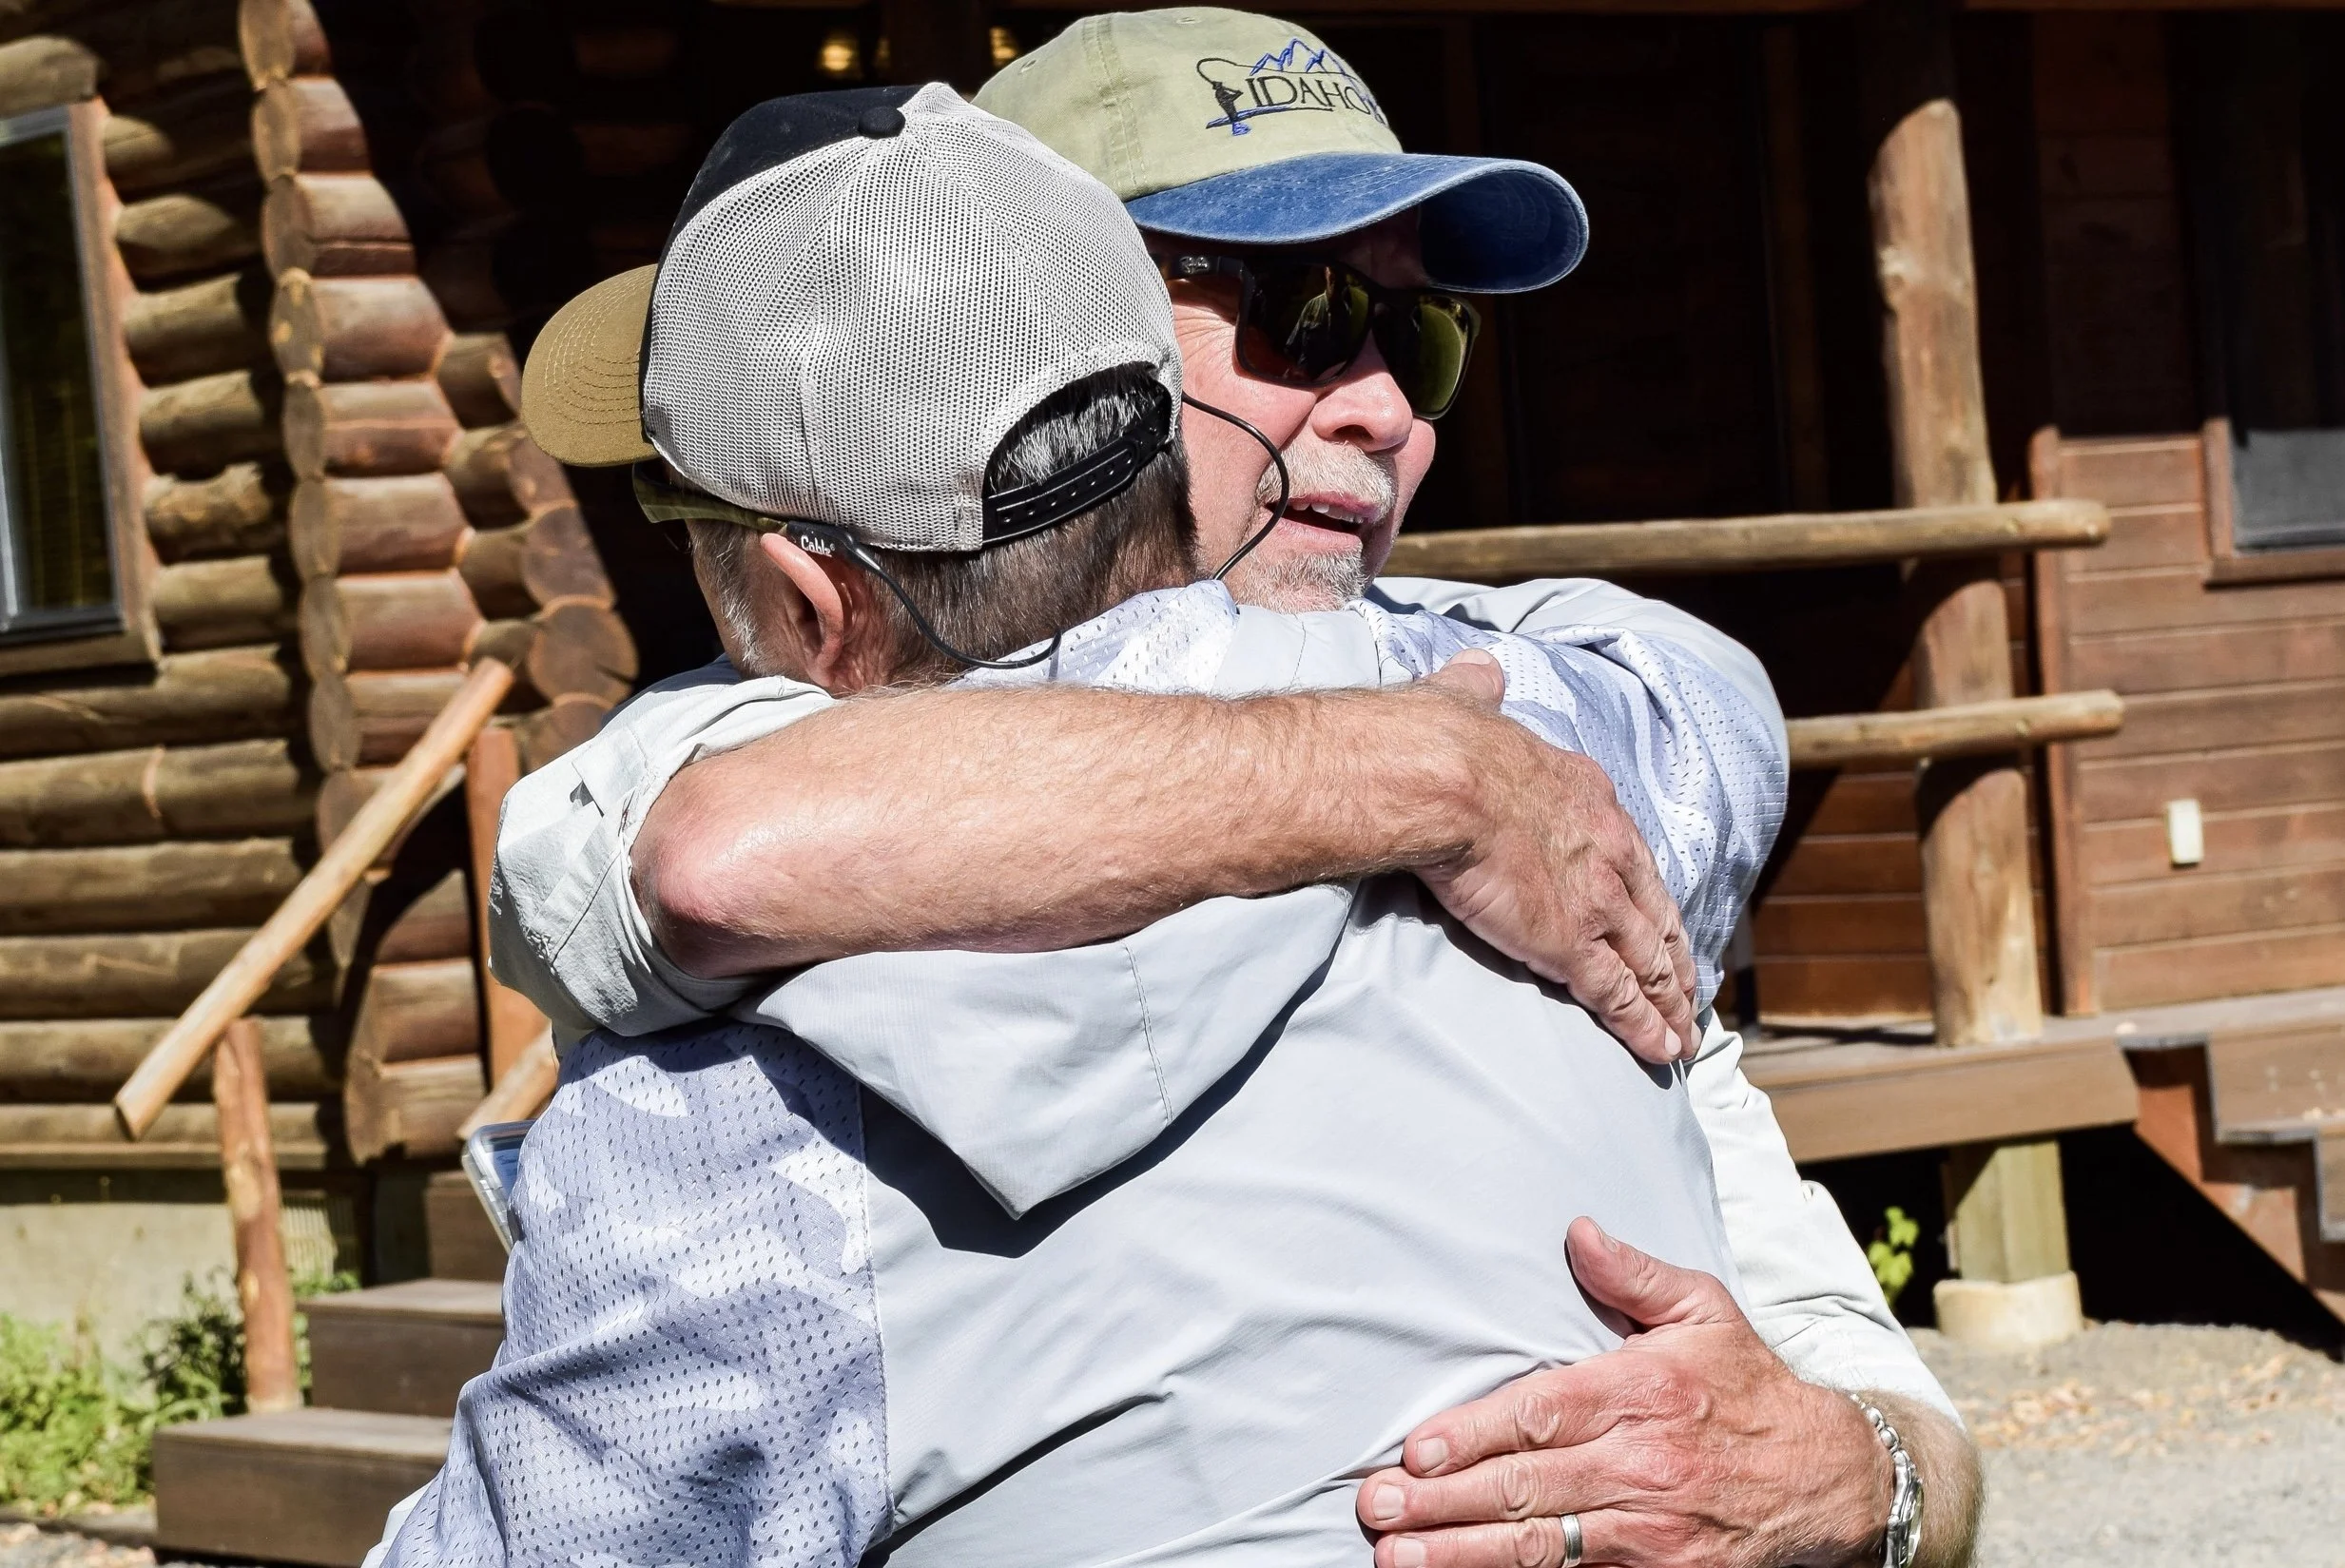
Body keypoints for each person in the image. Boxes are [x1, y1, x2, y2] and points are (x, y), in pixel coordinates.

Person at [492, 13, 1982, 1566]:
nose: (1388, 412)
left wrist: (1861, 1479)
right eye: (1301, 314)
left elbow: (1837, 1358)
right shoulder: (1504, 770)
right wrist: (1407, 768)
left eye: (1421, 335)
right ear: (1047, 331)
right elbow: (710, 842)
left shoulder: (1555, 750)